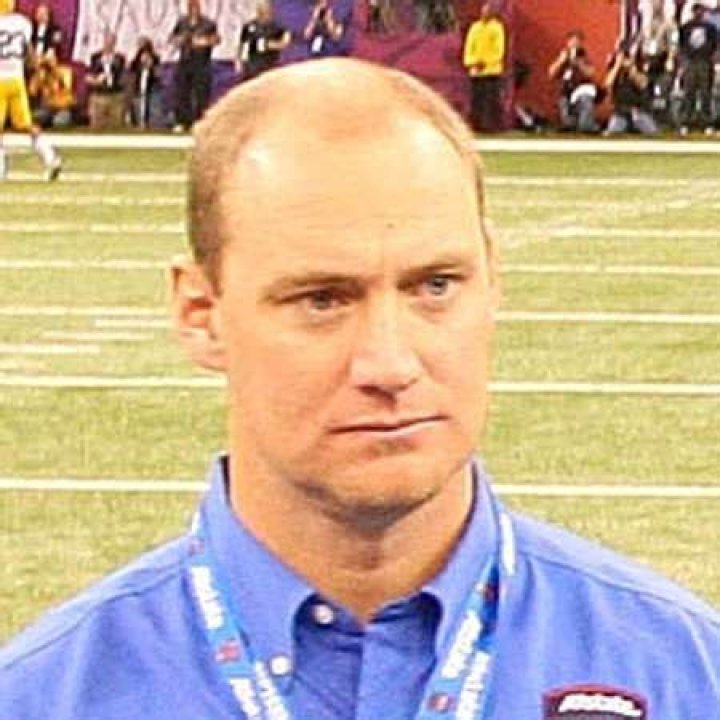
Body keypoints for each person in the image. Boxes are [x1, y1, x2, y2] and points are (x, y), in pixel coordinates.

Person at [1, 58, 719, 720]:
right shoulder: (48, 696)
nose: (390, 362)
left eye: (435, 286)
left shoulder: (684, 674)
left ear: (493, 281)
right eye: (322, 300)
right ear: (201, 315)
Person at [0, 0, 62, 181]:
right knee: (26, 124)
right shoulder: (22, 23)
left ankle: (1, 168)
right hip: (16, 78)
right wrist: (36, 68)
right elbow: (30, 53)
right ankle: (50, 156)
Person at [169, 0, 220, 132]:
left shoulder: (208, 24)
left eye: (195, 6)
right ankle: (182, 121)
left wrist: (205, 41)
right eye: (190, 6)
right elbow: (172, 38)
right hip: (185, 61)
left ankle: (201, 121)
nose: (193, 9)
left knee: (201, 93)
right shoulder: (182, 23)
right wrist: (179, 40)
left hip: (201, 63)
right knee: (182, 92)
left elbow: (216, 39)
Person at [462, 2, 506, 132]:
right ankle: (476, 125)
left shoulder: (497, 28)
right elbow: (469, 47)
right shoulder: (475, 27)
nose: (485, 13)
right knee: (477, 100)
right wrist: (471, 62)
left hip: (491, 71)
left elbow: (499, 50)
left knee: (490, 101)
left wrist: (485, 62)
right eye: (484, 11)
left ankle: (491, 126)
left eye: (488, 11)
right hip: (475, 71)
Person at [676, 2, 718, 134]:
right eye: (697, 11)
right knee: (689, 93)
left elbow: (715, 45)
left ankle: (707, 123)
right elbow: (681, 46)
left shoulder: (710, 28)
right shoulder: (686, 27)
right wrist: (683, 62)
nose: (699, 13)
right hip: (690, 62)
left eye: (701, 11)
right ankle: (685, 122)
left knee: (706, 93)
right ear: (693, 12)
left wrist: (713, 60)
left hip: (705, 62)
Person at [547, 30, 599, 132]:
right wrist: (561, 61)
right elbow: (551, 73)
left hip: (581, 91)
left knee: (584, 120)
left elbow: (591, 73)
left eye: (577, 41)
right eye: (572, 41)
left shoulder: (584, 56)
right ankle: (570, 123)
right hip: (566, 92)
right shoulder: (563, 56)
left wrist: (579, 63)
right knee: (568, 123)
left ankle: (588, 125)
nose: (574, 44)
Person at [604, 44, 659, 135]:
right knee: (612, 133)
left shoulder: (640, 71)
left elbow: (642, 84)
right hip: (620, 113)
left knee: (653, 133)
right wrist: (617, 65)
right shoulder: (616, 74)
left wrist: (632, 69)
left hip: (638, 112)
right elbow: (607, 84)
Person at [237, 1, 291, 81]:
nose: (268, 13)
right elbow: (243, 45)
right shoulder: (249, 26)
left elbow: (285, 42)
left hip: (269, 66)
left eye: (269, 10)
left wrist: (268, 45)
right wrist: (239, 62)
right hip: (251, 67)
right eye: (264, 10)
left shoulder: (277, 27)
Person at [85, 30, 126, 130]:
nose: (108, 44)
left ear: (115, 43)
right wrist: (95, 80)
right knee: (96, 127)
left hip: (115, 97)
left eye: (111, 42)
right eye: (107, 41)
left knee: (115, 127)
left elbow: (123, 77)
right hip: (98, 96)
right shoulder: (95, 58)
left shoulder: (120, 59)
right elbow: (88, 76)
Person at [28, 53, 75, 128]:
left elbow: (67, 86)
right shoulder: (41, 74)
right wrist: (38, 73)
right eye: (46, 62)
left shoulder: (65, 71)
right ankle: (47, 121)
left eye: (51, 60)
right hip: (48, 109)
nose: (48, 64)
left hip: (63, 108)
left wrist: (53, 70)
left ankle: (65, 119)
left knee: (58, 122)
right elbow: (32, 92)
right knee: (34, 117)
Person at [127, 36, 164, 129]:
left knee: (150, 108)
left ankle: (149, 123)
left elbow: (158, 73)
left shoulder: (155, 58)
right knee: (138, 106)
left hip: (151, 88)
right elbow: (132, 69)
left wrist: (151, 65)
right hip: (139, 87)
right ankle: (138, 122)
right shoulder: (136, 58)